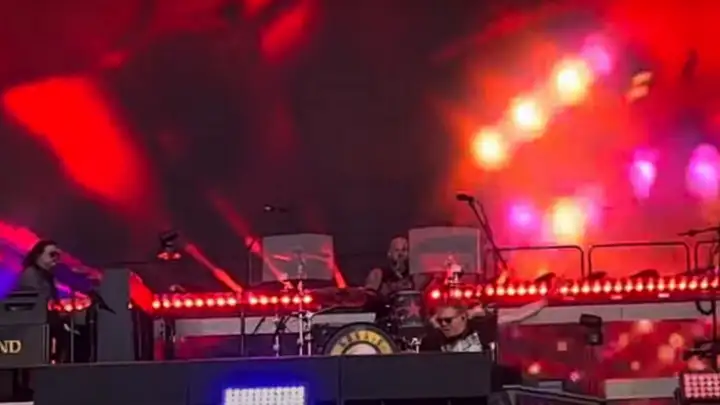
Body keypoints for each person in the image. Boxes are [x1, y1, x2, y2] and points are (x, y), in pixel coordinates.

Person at [422, 298, 548, 353]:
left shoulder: (480, 328)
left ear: (463, 317)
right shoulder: (434, 339)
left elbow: (517, 315)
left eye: (448, 320)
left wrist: (544, 301)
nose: (444, 324)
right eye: (440, 320)